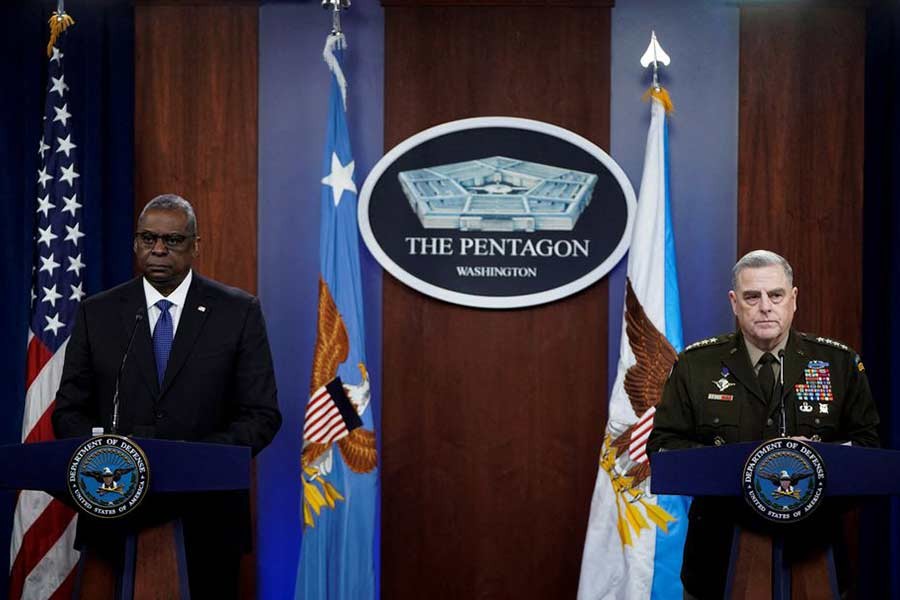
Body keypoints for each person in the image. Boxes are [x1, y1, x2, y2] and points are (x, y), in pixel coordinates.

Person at [52, 194, 282, 598]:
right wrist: (108, 458)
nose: (158, 250)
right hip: (114, 509)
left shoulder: (238, 312)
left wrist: (192, 458)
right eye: (148, 238)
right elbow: (70, 410)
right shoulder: (98, 312)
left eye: (172, 240)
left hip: (207, 517)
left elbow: (261, 414)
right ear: (135, 243)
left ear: (196, 245)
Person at [647, 249, 879, 600]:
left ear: (793, 299)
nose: (765, 306)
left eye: (776, 295)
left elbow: (869, 451)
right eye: (752, 297)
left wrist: (814, 461)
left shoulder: (838, 364)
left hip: (814, 556)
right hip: (718, 558)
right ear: (734, 302)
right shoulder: (697, 366)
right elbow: (663, 449)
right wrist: (743, 467)